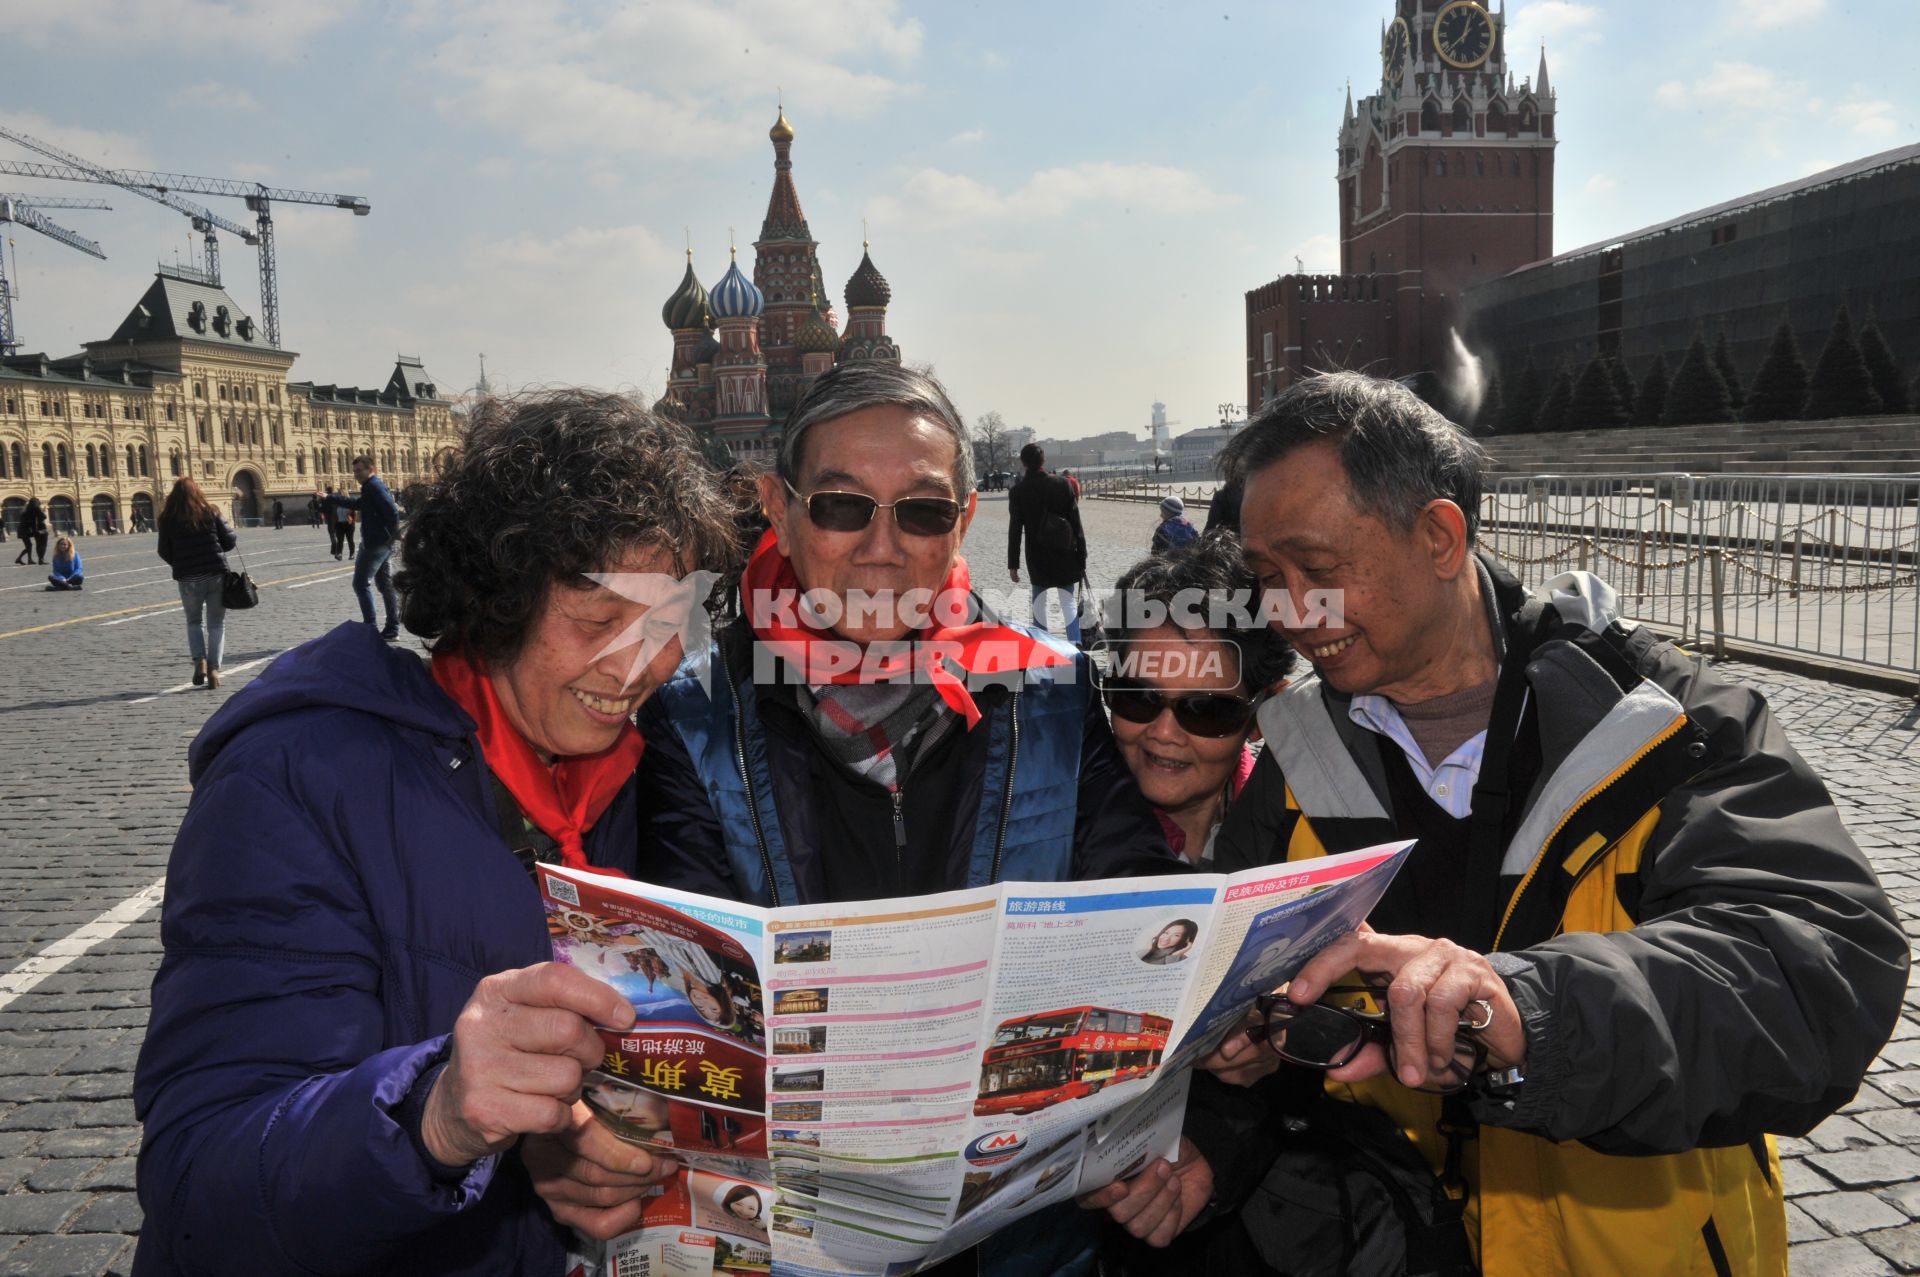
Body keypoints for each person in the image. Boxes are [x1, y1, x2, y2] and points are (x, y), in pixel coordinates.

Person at [1089, 371, 1908, 1276]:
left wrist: (1528, 1009)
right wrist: (1224, 1111)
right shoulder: (1291, 759)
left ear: (1439, 536)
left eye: (1316, 570)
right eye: (1265, 579)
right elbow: (1257, 1036)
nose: (1290, 610)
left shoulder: (1666, 724)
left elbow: (1826, 969)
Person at [134, 390, 745, 1276]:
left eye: (666, 622)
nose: (638, 665)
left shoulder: (623, 773)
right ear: (497, 594)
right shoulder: (297, 777)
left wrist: (557, 1146)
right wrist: (438, 1113)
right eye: (598, 618)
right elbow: (198, 1186)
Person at [620, 360, 1176, 1277]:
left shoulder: (1048, 685)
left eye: (920, 511)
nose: (881, 547)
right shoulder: (692, 714)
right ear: (780, 506)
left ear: (961, 520)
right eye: (842, 506)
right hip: (797, 1234)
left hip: (1021, 1231)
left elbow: (1138, 909)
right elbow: (688, 987)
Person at [1105, 530, 1294, 864]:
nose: (1163, 732)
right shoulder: (1057, 837)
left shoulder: (1303, 832)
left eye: (1205, 710)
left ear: (1265, 715)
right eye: (1137, 697)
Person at [155, 478, 238, 690]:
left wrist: (180, 563)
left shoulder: (167, 518)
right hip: (215, 574)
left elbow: (163, 550)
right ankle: (214, 670)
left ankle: (199, 660)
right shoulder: (211, 512)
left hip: (188, 578)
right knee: (216, 624)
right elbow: (229, 540)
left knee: (194, 622)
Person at [1007, 442, 1086, 641]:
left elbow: (1015, 529)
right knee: (1067, 602)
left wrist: (1013, 564)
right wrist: (1082, 555)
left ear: (1023, 463)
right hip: (1064, 550)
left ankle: (1042, 645)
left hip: (1037, 554)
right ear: (1043, 461)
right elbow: (1076, 524)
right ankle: (1075, 643)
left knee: (1039, 603)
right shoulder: (1062, 484)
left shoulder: (1018, 491)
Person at [325, 454, 402, 639]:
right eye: (355, 471)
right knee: (385, 584)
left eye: (360, 470)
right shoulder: (370, 487)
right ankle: (392, 628)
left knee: (360, 583)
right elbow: (358, 504)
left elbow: (391, 511)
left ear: (371, 469)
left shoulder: (374, 486)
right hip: (383, 541)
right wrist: (331, 497)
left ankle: (371, 629)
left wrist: (395, 532)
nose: (356, 474)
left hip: (376, 543)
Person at [14, 496, 47, 565]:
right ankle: (20, 559)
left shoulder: (25, 512)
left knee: (29, 546)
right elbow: (43, 517)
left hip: (23, 530)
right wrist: (42, 511)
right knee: (29, 546)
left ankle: (28, 560)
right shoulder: (33, 510)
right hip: (25, 531)